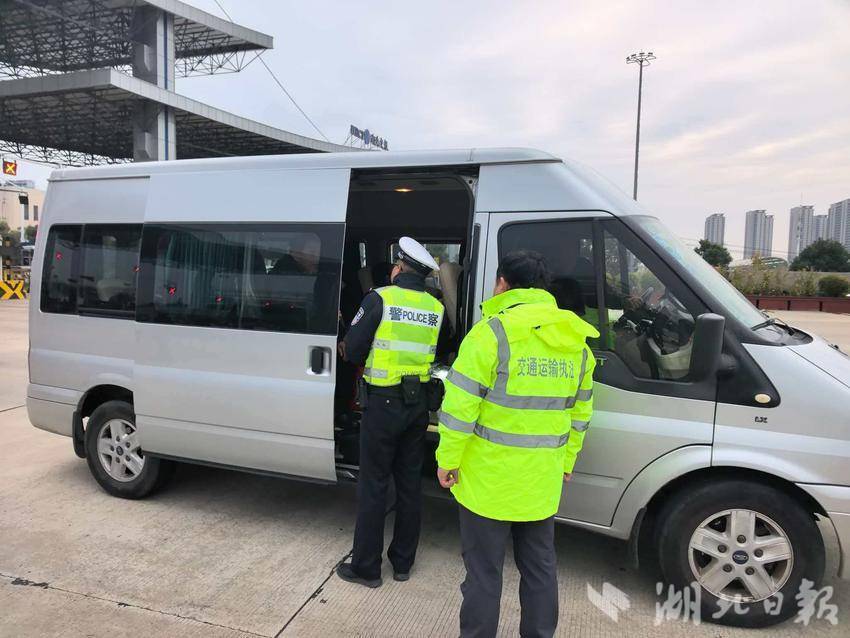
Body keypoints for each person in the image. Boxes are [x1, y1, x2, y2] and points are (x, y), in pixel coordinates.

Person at [435, 251, 598, 638]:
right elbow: (580, 414)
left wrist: (447, 461)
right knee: (540, 569)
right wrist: (567, 461)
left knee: (483, 574)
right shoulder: (576, 342)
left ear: (502, 284)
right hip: (541, 481)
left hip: (487, 483)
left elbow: (459, 410)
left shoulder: (490, 334)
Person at [336, 237, 446, 588]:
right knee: (410, 485)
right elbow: (443, 348)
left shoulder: (380, 298)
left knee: (374, 485)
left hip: (382, 405)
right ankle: (402, 563)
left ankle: (366, 568)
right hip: (417, 405)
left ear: (399, 267)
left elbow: (354, 351)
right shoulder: (436, 308)